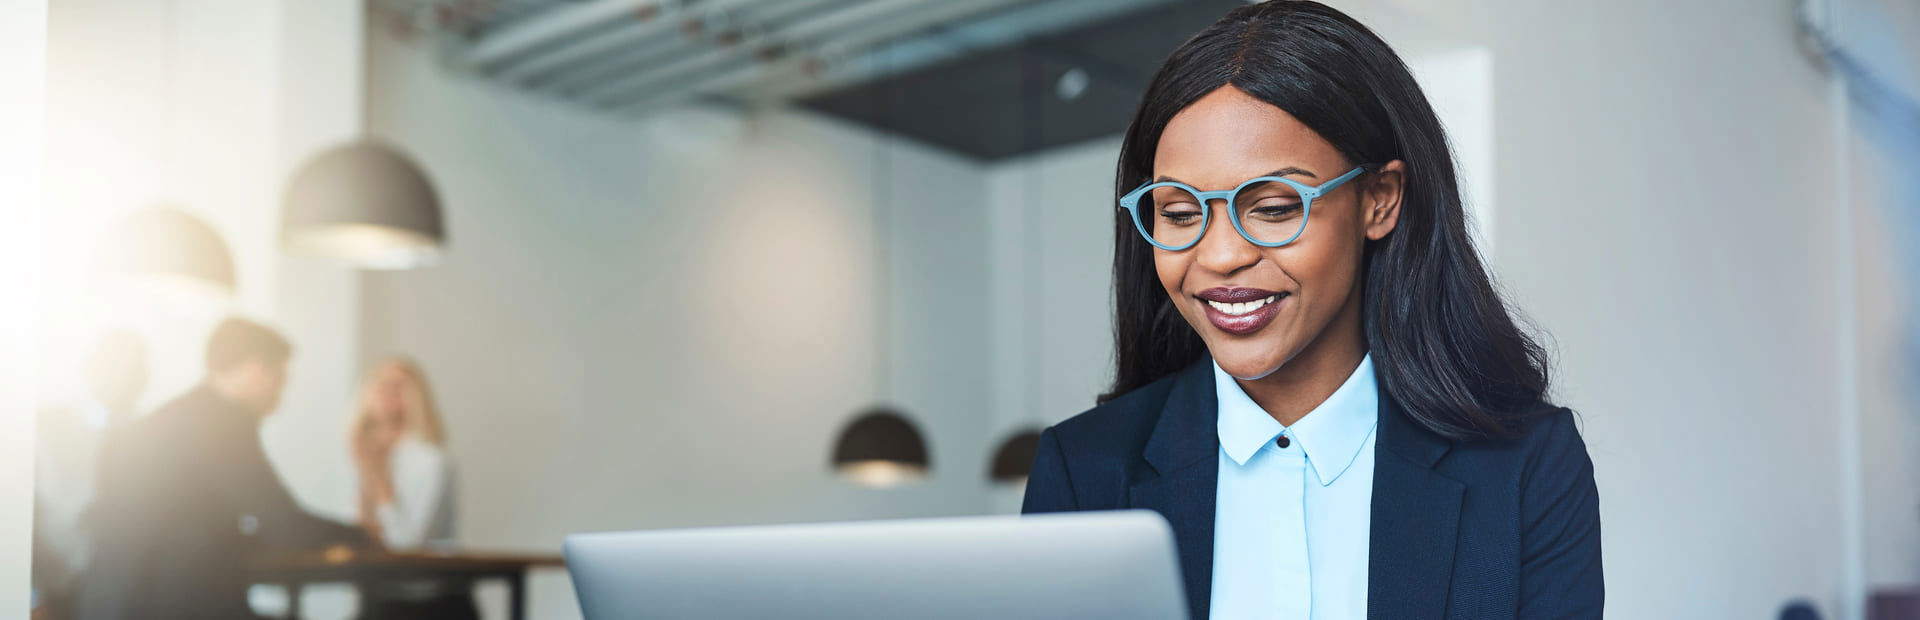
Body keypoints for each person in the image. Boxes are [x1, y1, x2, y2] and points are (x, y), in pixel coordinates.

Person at [1020, 2, 1602, 619]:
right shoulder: (1084, 473)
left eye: (1273, 208)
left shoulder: (1527, 466)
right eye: (1181, 214)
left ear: (1379, 200)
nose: (1220, 256)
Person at [77, 318, 370, 620]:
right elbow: (282, 522)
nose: (279, 399)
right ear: (256, 370)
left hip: (111, 603)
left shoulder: (169, 419)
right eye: (280, 381)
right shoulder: (220, 422)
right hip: (171, 606)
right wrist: (364, 536)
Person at [33, 331, 146, 620]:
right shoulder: (43, 427)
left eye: (135, 369)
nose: (127, 379)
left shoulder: (151, 435)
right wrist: (32, 595)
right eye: (116, 366)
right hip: (58, 590)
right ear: (91, 370)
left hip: (130, 593)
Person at [348, 357, 472, 620]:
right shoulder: (365, 456)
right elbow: (362, 537)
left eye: (397, 386)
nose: (385, 393)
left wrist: (379, 481)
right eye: (379, 384)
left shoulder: (431, 461)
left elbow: (407, 546)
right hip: (381, 595)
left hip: (430, 602)